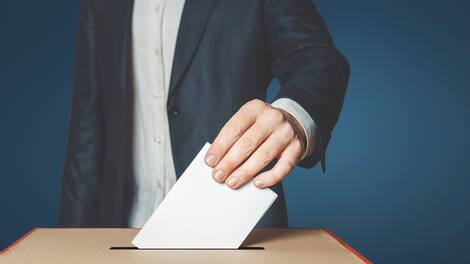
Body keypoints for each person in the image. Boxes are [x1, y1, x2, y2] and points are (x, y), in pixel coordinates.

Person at [59, 0, 349, 228]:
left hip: (236, 230)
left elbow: (316, 57)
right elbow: (88, 128)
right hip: (120, 231)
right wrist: (70, 245)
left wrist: (295, 114)